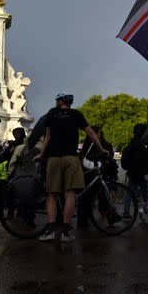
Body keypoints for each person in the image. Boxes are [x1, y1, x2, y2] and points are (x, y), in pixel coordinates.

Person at [34, 93, 108, 242]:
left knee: (52, 195)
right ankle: (66, 231)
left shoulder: (52, 113)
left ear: (61, 101)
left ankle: (50, 229)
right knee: (70, 194)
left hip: (54, 157)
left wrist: (41, 154)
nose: (55, 101)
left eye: (57, 99)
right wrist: (101, 149)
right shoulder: (76, 114)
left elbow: (47, 137)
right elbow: (91, 133)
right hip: (70, 157)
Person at [77, 125, 116, 229]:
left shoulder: (87, 145)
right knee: (101, 195)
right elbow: (109, 156)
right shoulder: (104, 144)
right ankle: (109, 217)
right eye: (97, 133)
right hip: (97, 172)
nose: (98, 135)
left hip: (88, 172)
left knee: (86, 197)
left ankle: (83, 221)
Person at [121, 123, 148, 219]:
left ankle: (126, 212)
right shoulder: (142, 145)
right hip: (141, 174)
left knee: (129, 193)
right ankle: (147, 211)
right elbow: (145, 160)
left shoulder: (131, 143)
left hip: (132, 173)